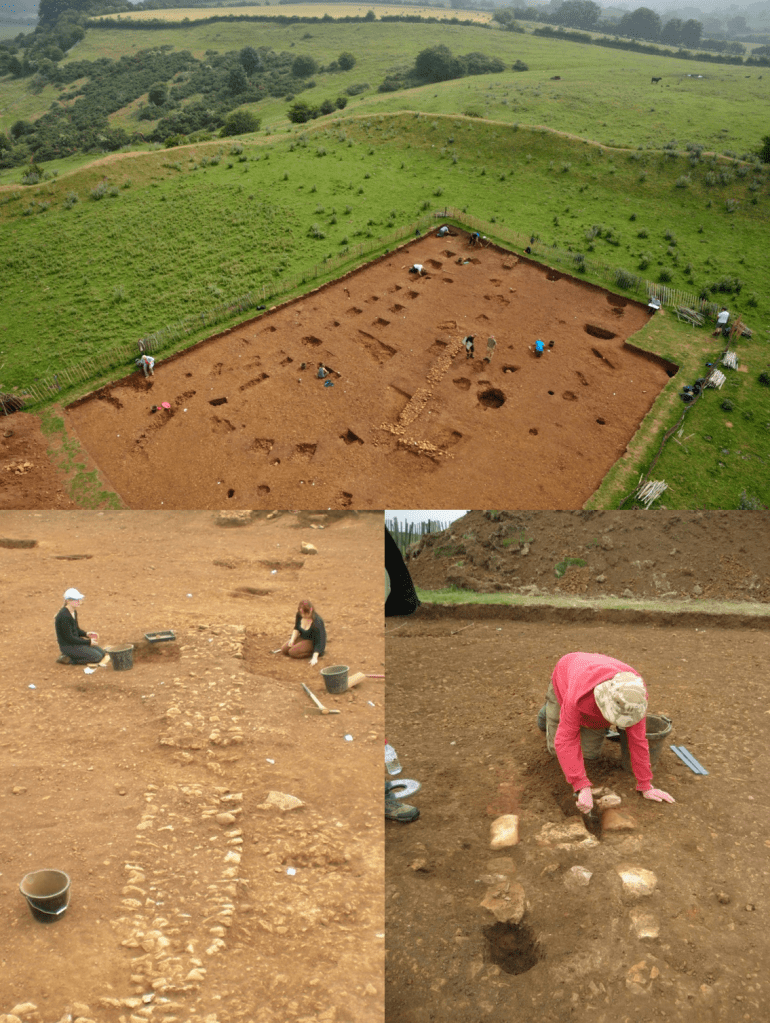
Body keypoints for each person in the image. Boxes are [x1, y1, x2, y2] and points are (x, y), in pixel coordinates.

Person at [541, 652, 675, 814]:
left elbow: (638, 740)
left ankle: (570, 717)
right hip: (567, 679)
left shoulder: (634, 697)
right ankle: (548, 711)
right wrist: (581, 785)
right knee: (556, 747)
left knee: (589, 754)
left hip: (590, 700)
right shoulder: (579, 695)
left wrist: (645, 785)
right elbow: (566, 739)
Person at [55, 588, 111, 667]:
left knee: (101, 653)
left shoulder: (73, 612)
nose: (79, 602)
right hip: (68, 646)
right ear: (68, 601)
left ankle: (74, 656)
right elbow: (69, 638)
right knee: (97, 657)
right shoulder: (64, 616)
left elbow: (76, 630)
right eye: (76, 600)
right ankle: (69, 659)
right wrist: (88, 642)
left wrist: (86, 634)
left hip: (75, 643)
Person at [281, 600, 326, 666]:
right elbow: (296, 628)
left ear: (311, 610)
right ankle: (301, 646)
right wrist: (292, 639)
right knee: (284, 649)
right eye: (302, 614)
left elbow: (320, 641)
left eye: (305, 614)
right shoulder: (299, 615)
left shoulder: (317, 622)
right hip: (303, 637)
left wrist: (314, 657)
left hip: (313, 642)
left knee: (292, 652)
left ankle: (312, 652)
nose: (303, 616)